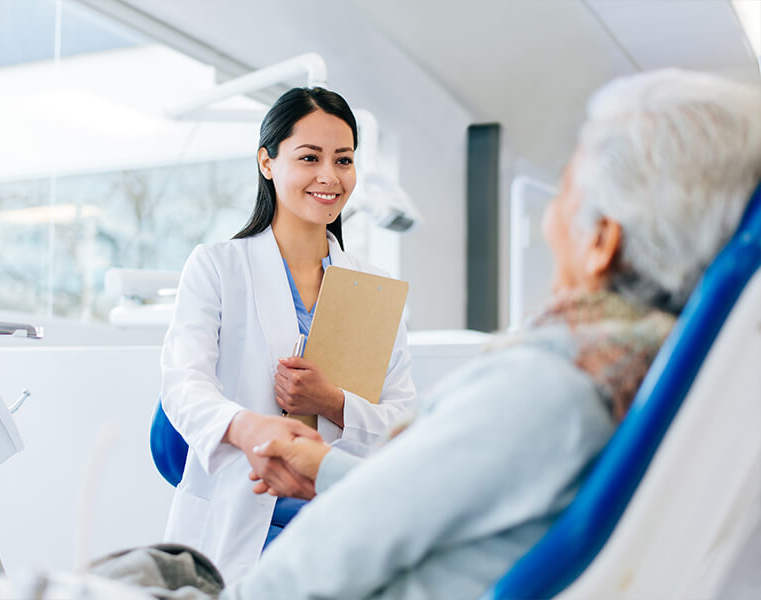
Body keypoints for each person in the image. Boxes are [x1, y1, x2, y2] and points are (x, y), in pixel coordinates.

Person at [211, 69, 761, 598]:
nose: (550, 223)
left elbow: (334, 551)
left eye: (563, 194)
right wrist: (326, 468)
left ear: (602, 242)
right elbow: (425, 498)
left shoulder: (549, 384)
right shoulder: (661, 370)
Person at [158, 87, 417, 582]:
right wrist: (249, 427)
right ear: (267, 162)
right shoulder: (217, 267)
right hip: (237, 515)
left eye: (343, 160)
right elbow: (181, 384)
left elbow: (403, 424)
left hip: (335, 519)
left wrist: (332, 400)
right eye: (309, 157)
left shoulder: (375, 290)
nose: (329, 176)